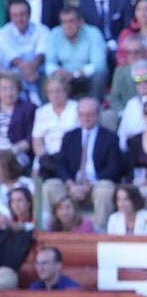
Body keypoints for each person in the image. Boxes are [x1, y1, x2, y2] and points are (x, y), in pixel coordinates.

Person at [44, 96, 122, 229]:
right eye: (82, 114)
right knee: (49, 186)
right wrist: (71, 185)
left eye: (90, 114)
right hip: (72, 185)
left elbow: (114, 167)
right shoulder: (70, 136)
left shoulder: (110, 137)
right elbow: (60, 163)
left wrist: (89, 186)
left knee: (105, 187)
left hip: (95, 185)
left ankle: (100, 232)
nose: (85, 118)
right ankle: (48, 230)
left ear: (97, 115)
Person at [46, 5, 107, 100]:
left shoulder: (93, 33)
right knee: (46, 79)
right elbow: (49, 62)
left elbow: (99, 65)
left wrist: (76, 74)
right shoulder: (55, 34)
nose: (67, 26)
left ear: (80, 22)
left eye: (71, 22)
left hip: (85, 77)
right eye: (64, 22)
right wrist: (57, 72)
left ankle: (93, 108)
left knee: (99, 76)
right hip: (63, 77)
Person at [0, 72, 35, 168]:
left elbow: (31, 138)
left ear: (18, 90)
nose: (8, 93)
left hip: (16, 153)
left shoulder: (28, 108)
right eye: (4, 89)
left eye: (12, 88)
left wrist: (13, 150)